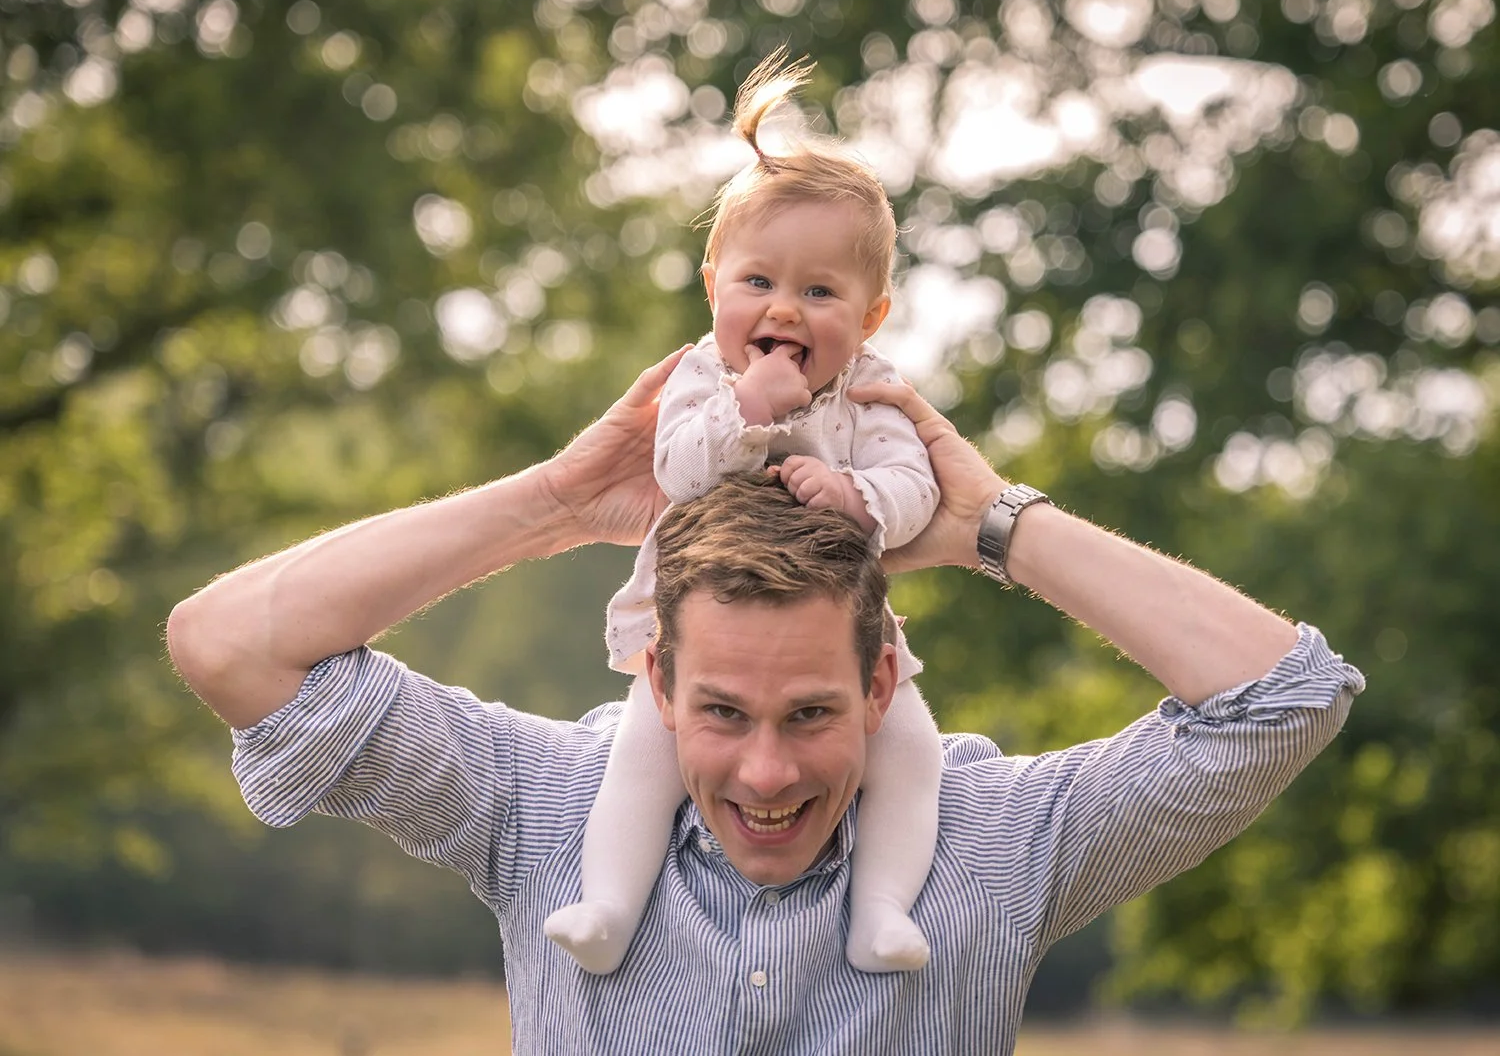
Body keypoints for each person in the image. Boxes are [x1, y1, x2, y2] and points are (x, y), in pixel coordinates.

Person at [168, 348, 1364, 1055]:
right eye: (724, 714)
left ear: (883, 680)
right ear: (657, 676)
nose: (767, 775)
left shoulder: (996, 844)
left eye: (810, 715)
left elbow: (1285, 696)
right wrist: (553, 505)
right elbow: (229, 647)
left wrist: (997, 526)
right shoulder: (540, 805)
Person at [543, 52, 942, 977]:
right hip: (691, 630)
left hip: (838, 634)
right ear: (714, 285)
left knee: (913, 750)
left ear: (871, 314)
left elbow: (915, 485)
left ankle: (881, 910)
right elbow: (680, 471)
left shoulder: (874, 396)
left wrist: (861, 500)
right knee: (645, 752)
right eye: (759, 283)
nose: (785, 311)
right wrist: (749, 411)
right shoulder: (700, 381)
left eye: (820, 292)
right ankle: (607, 905)